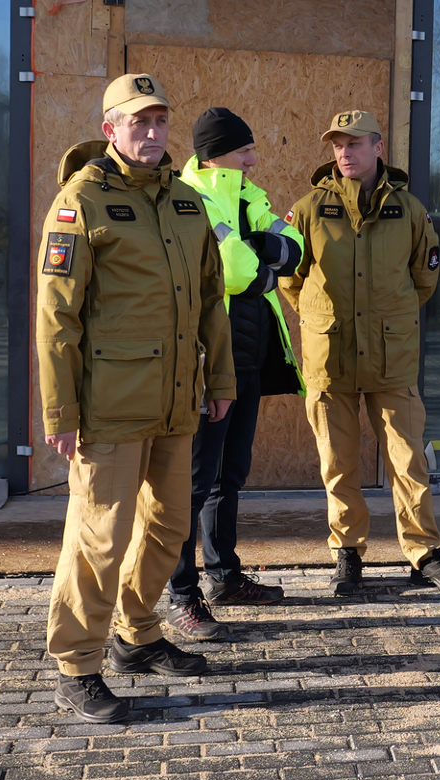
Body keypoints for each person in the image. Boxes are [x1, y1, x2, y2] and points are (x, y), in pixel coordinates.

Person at [36, 73, 237, 723]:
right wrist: (60, 410)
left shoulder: (185, 203)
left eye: (159, 122)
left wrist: (223, 381)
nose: (151, 134)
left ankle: (136, 636)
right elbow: (56, 316)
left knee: (169, 526)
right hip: (109, 405)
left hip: (176, 402)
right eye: (137, 123)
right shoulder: (81, 202)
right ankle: (76, 665)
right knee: (100, 538)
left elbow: (213, 300)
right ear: (110, 130)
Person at [280, 110, 440, 597]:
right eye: (337, 145)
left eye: (354, 143)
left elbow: (424, 278)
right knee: (338, 460)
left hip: (392, 357)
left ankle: (423, 553)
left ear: (378, 146)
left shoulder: (408, 210)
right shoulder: (306, 210)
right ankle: (347, 553)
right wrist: (324, 317)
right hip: (331, 356)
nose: (344, 152)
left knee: (408, 461)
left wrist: (389, 317)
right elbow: (290, 280)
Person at [160, 107, 306, 641]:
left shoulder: (250, 194)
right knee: (192, 481)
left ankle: (223, 576)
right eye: (244, 149)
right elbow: (233, 268)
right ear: (215, 150)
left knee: (230, 474)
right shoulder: (189, 194)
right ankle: (180, 594)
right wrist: (265, 261)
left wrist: (270, 255)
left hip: (251, 357)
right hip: (206, 361)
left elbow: (295, 251)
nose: (254, 157)